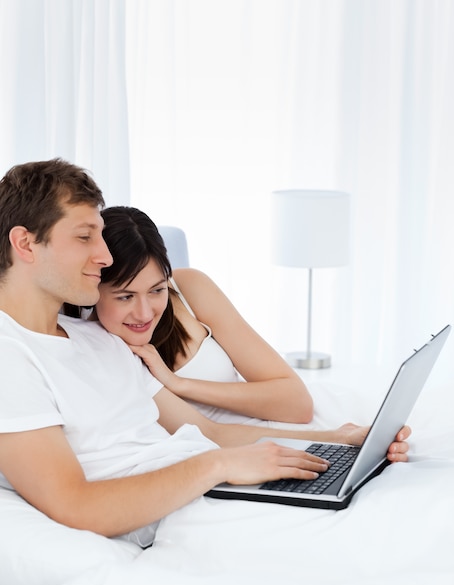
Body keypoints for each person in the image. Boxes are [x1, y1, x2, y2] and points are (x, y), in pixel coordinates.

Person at [0, 158, 410, 548]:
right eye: (85, 236)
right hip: (189, 509)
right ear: (25, 244)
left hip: (214, 488)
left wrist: (336, 442)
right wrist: (219, 466)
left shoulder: (96, 337)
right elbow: (76, 505)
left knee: (392, 511)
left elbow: (207, 431)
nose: (104, 256)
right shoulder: (10, 354)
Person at [74, 205, 314, 425]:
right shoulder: (83, 340)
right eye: (125, 297)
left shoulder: (190, 288)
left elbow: (297, 403)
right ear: (94, 286)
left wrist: (180, 384)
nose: (145, 313)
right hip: (233, 451)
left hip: (278, 426)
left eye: (157, 290)